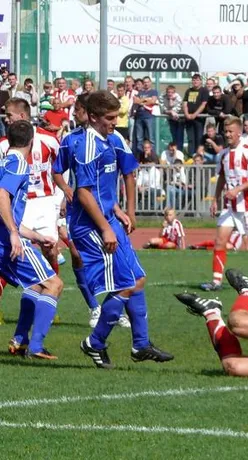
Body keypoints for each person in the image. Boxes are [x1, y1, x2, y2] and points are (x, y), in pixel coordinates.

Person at [68, 90, 173, 368]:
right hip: (89, 225)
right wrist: (106, 228)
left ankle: (140, 345)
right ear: (93, 117)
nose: (116, 122)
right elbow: (84, 194)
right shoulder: (86, 145)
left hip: (108, 218)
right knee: (127, 283)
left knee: (138, 278)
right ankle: (95, 342)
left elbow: (128, 172)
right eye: (110, 117)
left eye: (118, 116)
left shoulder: (113, 139)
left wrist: (126, 210)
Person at [52, 93, 131, 328]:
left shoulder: (111, 139)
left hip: (103, 212)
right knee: (76, 255)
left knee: (120, 265)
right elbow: (58, 171)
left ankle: (118, 310)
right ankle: (94, 308)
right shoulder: (70, 140)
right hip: (79, 211)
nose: (75, 114)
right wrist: (67, 189)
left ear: (89, 113)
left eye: (78, 110)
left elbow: (106, 181)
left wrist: (118, 208)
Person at [1, 120, 64, 359]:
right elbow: (2, 196)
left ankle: (20, 340)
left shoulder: (4, 162)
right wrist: (14, 234)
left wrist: (36, 236)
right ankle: (36, 346)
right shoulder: (18, 164)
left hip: (4, 238)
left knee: (36, 285)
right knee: (54, 285)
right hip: (7, 241)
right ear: (31, 141)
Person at [200, 116, 248, 291]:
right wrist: (215, 199)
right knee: (219, 241)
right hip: (230, 207)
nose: (228, 134)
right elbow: (222, 177)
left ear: (239, 133)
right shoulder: (223, 154)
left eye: (231, 131)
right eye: (225, 131)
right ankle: (216, 282)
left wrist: (238, 189)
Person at [1, 98, 62, 277]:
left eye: (9, 115)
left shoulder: (48, 139)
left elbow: (60, 168)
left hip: (45, 201)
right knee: (16, 251)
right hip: (20, 204)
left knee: (50, 250)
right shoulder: (4, 144)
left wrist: (62, 194)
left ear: (21, 115)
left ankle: (51, 287)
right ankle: (47, 289)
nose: (6, 119)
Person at [133, 76, 158, 159]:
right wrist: (147, 100)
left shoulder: (153, 91)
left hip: (149, 117)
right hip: (139, 117)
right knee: (139, 139)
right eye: (145, 82)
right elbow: (135, 101)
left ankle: (152, 157)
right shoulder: (139, 92)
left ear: (150, 83)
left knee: (151, 138)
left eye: (147, 82)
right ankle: (140, 157)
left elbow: (153, 101)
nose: (146, 84)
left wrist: (142, 101)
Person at [183, 74, 209, 155]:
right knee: (190, 139)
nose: (195, 82)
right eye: (194, 80)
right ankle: (191, 156)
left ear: (201, 81)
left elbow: (203, 104)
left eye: (197, 80)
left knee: (199, 138)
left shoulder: (204, 90)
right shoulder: (188, 91)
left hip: (199, 119)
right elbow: (184, 103)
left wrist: (195, 114)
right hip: (189, 118)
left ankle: (198, 157)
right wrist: (187, 114)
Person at [160, 84, 184, 150]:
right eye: (168, 92)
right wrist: (170, 111)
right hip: (171, 119)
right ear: (166, 92)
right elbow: (162, 109)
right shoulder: (163, 97)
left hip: (180, 119)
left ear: (174, 92)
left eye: (172, 92)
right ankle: (174, 151)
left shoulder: (178, 97)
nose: (170, 94)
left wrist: (171, 102)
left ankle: (180, 152)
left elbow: (178, 109)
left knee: (179, 137)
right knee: (174, 137)